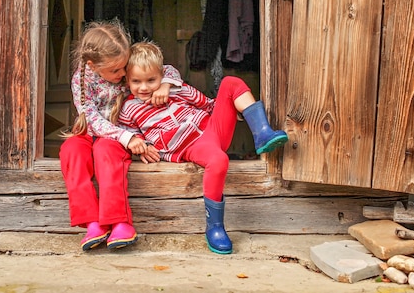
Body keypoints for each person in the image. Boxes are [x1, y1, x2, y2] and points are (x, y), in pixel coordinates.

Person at [114, 41, 288, 254]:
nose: (144, 87)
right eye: (136, 81)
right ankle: (215, 227)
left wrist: (172, 86)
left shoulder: (176, 89)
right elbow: (130, 134)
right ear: (127, 80)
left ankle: (262, 133)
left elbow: (208, 104)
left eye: (151, 80)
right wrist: (143, 145)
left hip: (212, 128)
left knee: (231, 82)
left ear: (161, 75)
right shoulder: (129, 108)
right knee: (219, 160)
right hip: (192, 147)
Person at [59, 20, 182, 251]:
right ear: (92, 65)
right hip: (93, 132)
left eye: (124, 67)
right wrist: (129, 139)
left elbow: (167, 69)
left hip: (117, 137)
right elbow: (92, 119)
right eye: (115, 70)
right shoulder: (81, 79)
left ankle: (119, 222)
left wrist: (166, 84)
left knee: (105, 152)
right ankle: (93, 223)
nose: (122, 73)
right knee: (70, 150)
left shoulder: (126, 66)